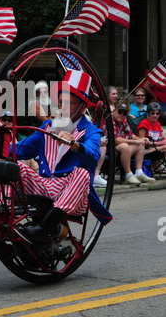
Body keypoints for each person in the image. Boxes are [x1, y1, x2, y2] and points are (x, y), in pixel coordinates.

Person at [11, 69, 113, 244]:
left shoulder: (91, 132)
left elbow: (92, 155)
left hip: (73, 193)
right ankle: (3, 220)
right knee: (14, 168)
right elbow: (21, 150)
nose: (62, 107)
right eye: (60, 102)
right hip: (45, 186)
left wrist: (74, 144)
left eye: (69, 103)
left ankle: (43, 230)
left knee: (82, 173)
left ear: (82, 107)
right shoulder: (47, 127)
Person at [111, 103, 155, 185]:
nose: (122, 115)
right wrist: (135, 141)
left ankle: (138, 172)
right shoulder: (110, 122)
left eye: (124, 113)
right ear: (114, 112)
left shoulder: (124, 122)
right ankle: (128, 175)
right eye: (120, 112)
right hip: (110, 149)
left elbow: (132, 135)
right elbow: (116, 139)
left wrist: (141, 139)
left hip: (123, 150)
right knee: (125, 146)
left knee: (140, 144)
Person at [137, 102, 166, 172]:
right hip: (143, 151)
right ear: (149, 113)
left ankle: (157, 166)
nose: (155, 115)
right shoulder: (144, 124)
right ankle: (157, 166)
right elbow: (141, 142)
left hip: (154, 149)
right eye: (153, 113)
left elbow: (157, 140)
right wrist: (159, 144)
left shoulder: (158, 124)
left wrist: (162, 140)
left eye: (157, 113)